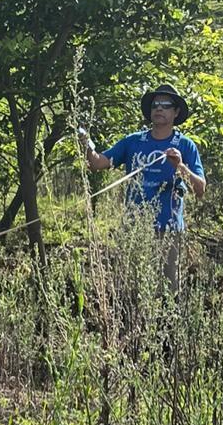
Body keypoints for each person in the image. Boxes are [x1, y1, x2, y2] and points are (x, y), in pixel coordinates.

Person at [80, 84, 206, 286]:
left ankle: (167, 319)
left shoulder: (185, 145)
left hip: (168, 229)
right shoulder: (133, 142)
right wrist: (86, 143)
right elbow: (97, 163)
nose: (159, 108)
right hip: (134, 228)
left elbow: (200, 189)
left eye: (166, 105)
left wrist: (180, 167)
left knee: (167, 288)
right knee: (132, 286)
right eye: (155, 104)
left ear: (176, 112)